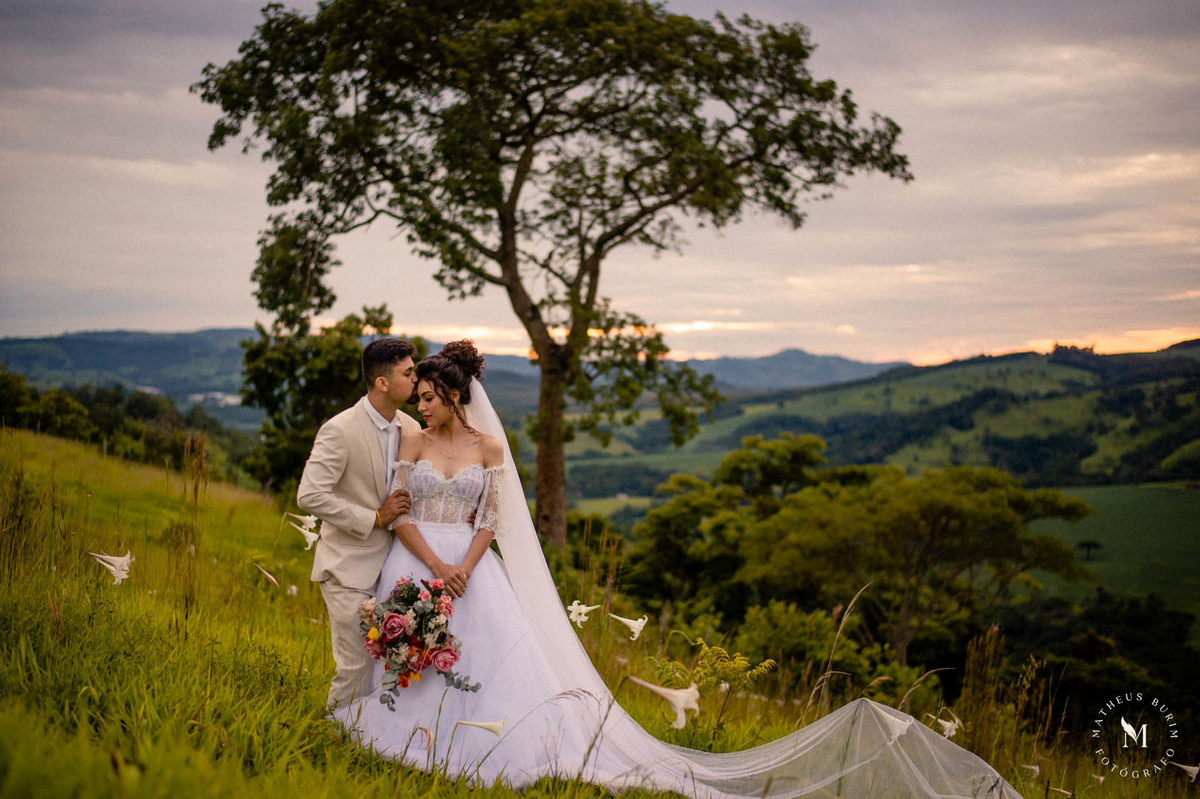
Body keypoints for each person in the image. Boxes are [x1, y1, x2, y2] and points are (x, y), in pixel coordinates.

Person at [333, 341, 1024, 799]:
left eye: (428, 394)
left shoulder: (488, 448)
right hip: (417, 561)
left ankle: (479, 741)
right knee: (408, 650)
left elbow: (492, 520)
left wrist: (465, 568)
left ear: (456, 395)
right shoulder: (410, 441)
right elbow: (398, 508)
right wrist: (433, 564)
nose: (419, 402)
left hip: (472, 573)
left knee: (482, 663)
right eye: (416, 393)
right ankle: (399, 726)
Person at [298, 337, 422, 710]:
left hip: (398, 567)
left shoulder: (412, 427)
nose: (416, 379)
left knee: (389, 665)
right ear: (382, 382)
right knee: (355, 666)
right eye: (408, 372)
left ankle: (369, 740)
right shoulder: (340, 429)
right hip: (348, 566)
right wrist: (374, 517)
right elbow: (310, 495)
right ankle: (332, 739)